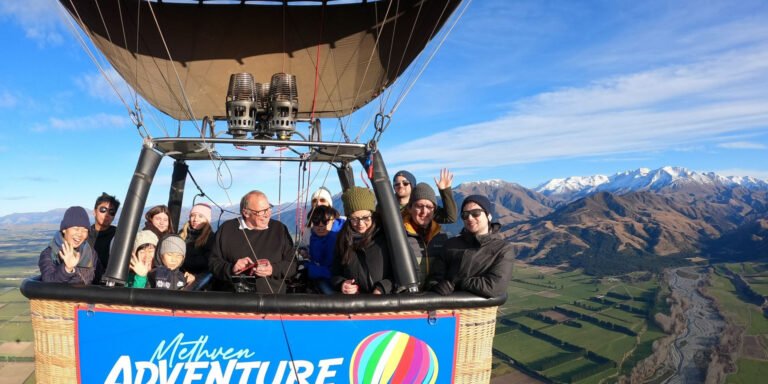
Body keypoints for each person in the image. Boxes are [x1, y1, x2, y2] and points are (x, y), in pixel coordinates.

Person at [208, 190, 296, 293]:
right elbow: (213, 263)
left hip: (271, 300)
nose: (267, 214)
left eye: (268, 209)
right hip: (232, 301)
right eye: (261, 211)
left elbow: (293, 265)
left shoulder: (279, 229)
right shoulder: (226, 229)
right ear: (246, 213)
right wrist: (231, 268)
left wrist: (273, 269)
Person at [428, 194, 514, 298]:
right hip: (447, 311)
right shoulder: (450, 244)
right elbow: (433, 278)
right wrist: (435, 286)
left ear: (489, 215)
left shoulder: (502, 249)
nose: (469, 218)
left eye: (476, 213)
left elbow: (495, 287)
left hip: (479, 312)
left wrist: (458, 282)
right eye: (465, 214)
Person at [331, 187, 394, 295]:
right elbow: (335, 273)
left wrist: (383, 287)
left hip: (384, 304)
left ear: (372, 215)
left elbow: (400, 274)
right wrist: (342, 284)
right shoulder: (343, 239)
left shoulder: (386, 237)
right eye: (354, 219)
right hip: (355, 305)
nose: (360, 224)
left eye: (365, 218)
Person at [38, 206, 103, 284]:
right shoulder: (50, 254)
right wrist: (67, 269)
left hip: (87, 296)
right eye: (76, 228)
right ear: (64, 229)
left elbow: (100, 279)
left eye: (85, 230)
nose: (80, 234)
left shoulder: (90, 253)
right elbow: (48, 281)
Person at [403, 183, 448, 289]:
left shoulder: (442, 237)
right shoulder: (400, 236)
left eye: (429, 207)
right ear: (410, 208)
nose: (424, 211)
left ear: (434, 210)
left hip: (434, 299)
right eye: (419, 206)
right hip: (408, 300)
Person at [393, 168, 457, 224]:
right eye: (397, 184)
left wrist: (445, 191)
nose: (401, 186)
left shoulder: (423, 207)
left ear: (412, 186)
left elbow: (450, 218)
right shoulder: (387, 205)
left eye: (405, 183)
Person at [306, 205, 344, 294]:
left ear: (333, 221)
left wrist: (310, 269)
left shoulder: (337, 238)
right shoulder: (314, 237)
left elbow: (334, 270)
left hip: (338, 283)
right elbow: (317, 260)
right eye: (316, 221)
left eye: (325, 221)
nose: (320, 225)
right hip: (323, 278)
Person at [179, 203, 215, 277]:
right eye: (193, 215)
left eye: (200, 216)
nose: (195, 219)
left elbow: (207, 261)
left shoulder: (211, 238)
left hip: (200, 277)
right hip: (179, 273)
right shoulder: (182, 233)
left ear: (207, 219)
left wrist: (181, 260)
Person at [88, 192, 120, 268]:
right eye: (103, 210)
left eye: (111, 212)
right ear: (94, 212)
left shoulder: (118, 235)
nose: (107, 214)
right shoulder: (84, 235)